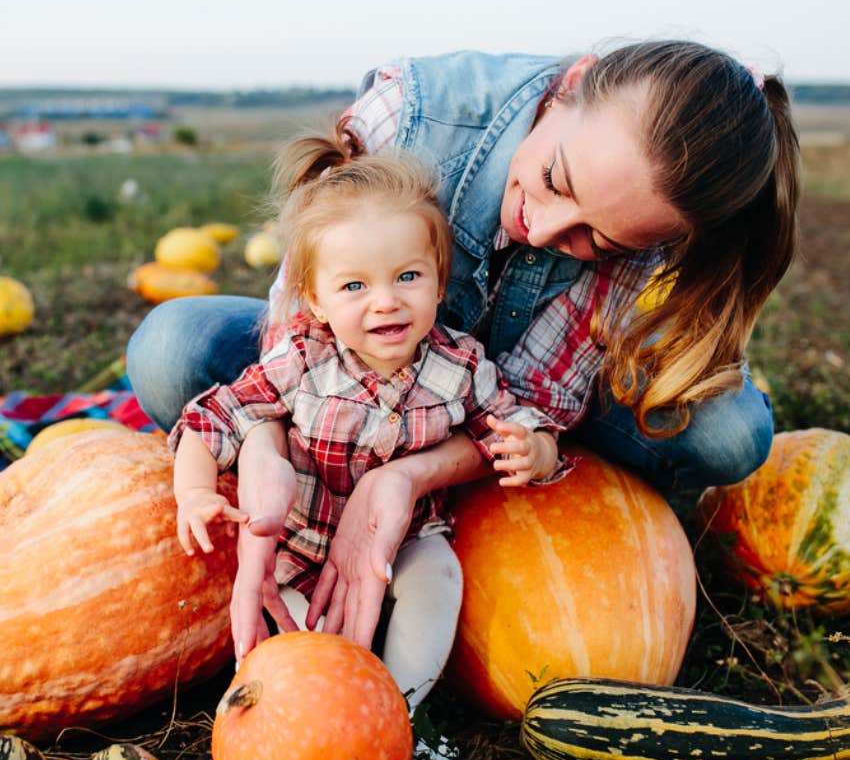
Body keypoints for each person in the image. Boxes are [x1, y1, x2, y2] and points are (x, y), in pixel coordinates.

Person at [128, 39, 800, 653]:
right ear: (572, 84)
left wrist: (412, 474)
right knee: (170, 351)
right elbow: (299, 334)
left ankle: (549, 489)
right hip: (344, 380)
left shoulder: (651, 228)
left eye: (601, 241)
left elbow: (533, 399)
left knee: (728, 433)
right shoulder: (415, 110)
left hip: (483, 398)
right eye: (558, 181)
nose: (546, 229)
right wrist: (268, 449)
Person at [167, 139, 563, 714]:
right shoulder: (302, 360)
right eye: (355, 286)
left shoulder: (462, 367)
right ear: (316, 301)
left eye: (407, 276)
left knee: (439, 583)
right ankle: (337, 715)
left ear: (438, 280)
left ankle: (399, 708)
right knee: (306, 643)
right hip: (299, 551)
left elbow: (521, 421)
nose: (385, 303)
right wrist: (196, 491)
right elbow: (213, 419)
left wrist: (537, 450)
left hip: (406, 540)